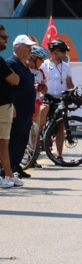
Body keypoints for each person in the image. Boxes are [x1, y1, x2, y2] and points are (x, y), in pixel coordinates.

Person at [7, 35, 37, 180]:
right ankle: (7, 169)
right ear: (18, 48)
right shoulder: (11, 64)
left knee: (22, 141)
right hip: (16, 111)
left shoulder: (24, 65)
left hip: (26, 110)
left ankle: (16, 166)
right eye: (27, 47)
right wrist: (12, 105)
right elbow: (6, 87)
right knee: (14, 141)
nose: (30, 50)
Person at [41, 38, 75, 162]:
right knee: (43, 109)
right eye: (63, 52)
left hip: (61, 98)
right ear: (55, 52)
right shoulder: (44, 65)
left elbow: (69, 83)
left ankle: (59, 155)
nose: (65, 54)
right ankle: (39, 134)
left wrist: (73, 92)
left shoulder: (66, 66)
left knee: (61, 125)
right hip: (47, 96)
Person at [0, 27, 21, 188]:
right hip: (1, 107)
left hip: (5, 106)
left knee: (4, 142)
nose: (6, 40)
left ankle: (9, 175)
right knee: (2, 142)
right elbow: (14, 80)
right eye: (3, 37)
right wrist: (15, 76)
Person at [26, 45, 48, 169]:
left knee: (35, 132)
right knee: (24, 132)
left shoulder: (40, 72)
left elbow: (45, 88)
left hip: (36, 103)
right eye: (40, 59)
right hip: (25, 104)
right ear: (33, 58)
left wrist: (41, 87)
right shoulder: (25, 69)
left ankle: (32, 158)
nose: (43, 61)